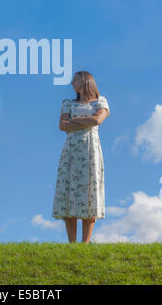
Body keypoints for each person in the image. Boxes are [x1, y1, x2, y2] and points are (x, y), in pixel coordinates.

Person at [52, 71, 110, 243]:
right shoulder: (68, 103)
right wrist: (87, 120)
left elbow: (98, 120)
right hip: (71, 152)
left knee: (90, 193)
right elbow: (62, 125)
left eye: (75, 80)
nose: (71, 83)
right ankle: (72, 243)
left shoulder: (101, 101)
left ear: (85, 82)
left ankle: (85, 243)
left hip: (90, 151)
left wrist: (75, 121)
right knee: (68, 192)